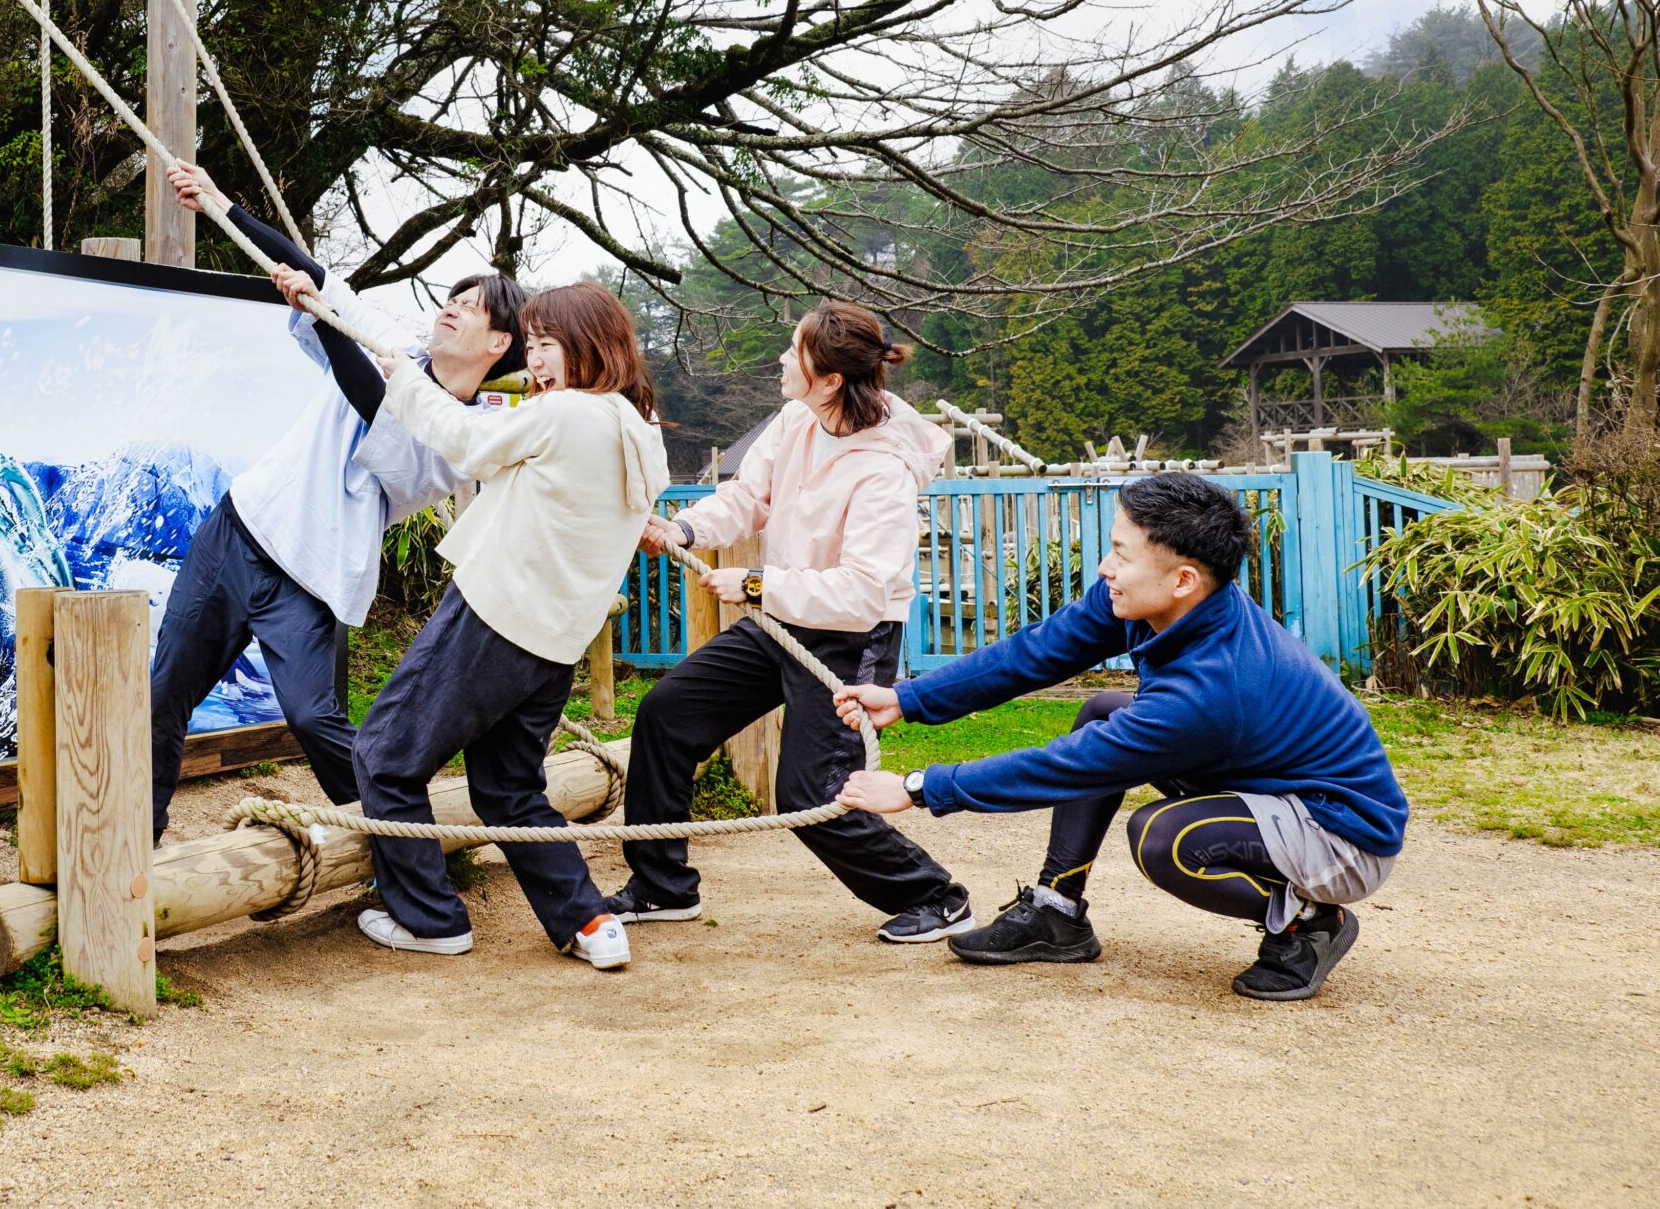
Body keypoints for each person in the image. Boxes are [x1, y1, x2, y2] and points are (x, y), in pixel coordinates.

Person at [833, 472, 1407, 1002]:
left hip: (1338, 833)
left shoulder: (1210, 691)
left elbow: (1071, 766)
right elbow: (1039, 650)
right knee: (1102, 711)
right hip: (1268, 786)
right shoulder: (1159, 603)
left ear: (1183, 579)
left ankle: (1310, 922)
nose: (1106, 568)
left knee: (1166, 838)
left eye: (1121, 555)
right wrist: (909, 699)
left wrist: (919, 787)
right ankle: (1058, 911)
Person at [145, 162, 527, 844]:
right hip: (240, 528)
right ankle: (134, 842)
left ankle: (400, 842)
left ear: (498, 343)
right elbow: (318, 276)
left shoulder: (465, 436)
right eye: (452, 297)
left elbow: (378, 404)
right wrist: (220, 202)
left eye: (470, 306)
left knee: (312, 717)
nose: (451, 306)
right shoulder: (393, 345)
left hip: (313, 574)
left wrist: (322, 320)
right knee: (164, 694)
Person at [601, 303, 970, 944]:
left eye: (793, 350)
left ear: (830, 379)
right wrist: (685, 529)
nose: (780, 359)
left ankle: (934, 896)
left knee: (810, 794)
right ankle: (661, 886)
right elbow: (750, 497)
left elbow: (861, 592)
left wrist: (754, 585)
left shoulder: (884, 468)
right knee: (668, 712)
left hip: (851, 637)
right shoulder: (799, 417)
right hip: (782, 619)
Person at [351, 282, 671, 971]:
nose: (538, 361)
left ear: (590, 345)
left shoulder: (566, 412)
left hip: (493, 618)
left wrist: (404, 378)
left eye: (549, 344)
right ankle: (590, 923)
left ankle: (429, 918)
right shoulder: (639, 430)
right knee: (510, 790)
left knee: (385, 754)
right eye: (533, 346)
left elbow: (466, 441)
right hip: (554, 643)